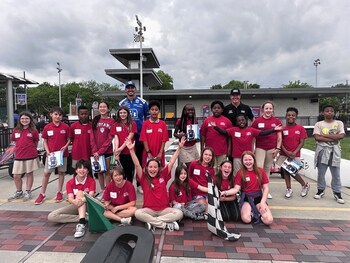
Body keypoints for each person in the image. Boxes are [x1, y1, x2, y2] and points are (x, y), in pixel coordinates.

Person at [126, 137, 186, 231]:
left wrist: (179, 148)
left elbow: (171, 162)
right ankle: (165, 225)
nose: (152, 169)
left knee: (179, 213)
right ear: (146, 168)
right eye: (150, 167)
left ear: (158, 168)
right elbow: (137, 164)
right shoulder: (143, 177)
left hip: (164, 210)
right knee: (138, 213)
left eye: (155, 167)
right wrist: (131, 150)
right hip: (149, 210)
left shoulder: (163, 175)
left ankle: (153, 222)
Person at [214, 114, 281, 177]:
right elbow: (223, 132)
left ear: (246, 121)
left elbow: (262, 133)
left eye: (242, 120)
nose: (241, 122)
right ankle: (237, 188)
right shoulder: (233, 130)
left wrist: (274, 129)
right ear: (237, 123)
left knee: (248, 174)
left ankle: (247, 188)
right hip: (237, 157)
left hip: (248, 158)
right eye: (239, 121)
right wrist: (215, 127)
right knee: (237, 174)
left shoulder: (251, 130)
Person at [221, 151, 273, 225]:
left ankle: (258, 212)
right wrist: (225, 193)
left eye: (250, 159)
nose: (248, 162)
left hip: (259, 198)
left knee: (269, 220)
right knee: (246, 219)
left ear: (254, 160)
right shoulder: (240, 173)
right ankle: (251, 212)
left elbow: (266, 188)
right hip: (247, 198)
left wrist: (263, 202)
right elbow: (236, 189)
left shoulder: (261, 171)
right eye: (245, 160)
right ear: (242, 161)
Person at [48, 159, 96, 238]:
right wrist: (76, 202)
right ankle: (84, 218)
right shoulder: (70, 183)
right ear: (76, 170)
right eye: (80, 168)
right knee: (52, 216)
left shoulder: (91, 181)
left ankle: (81, 223)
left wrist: (81, 200)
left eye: (84, 168)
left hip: (89, 204)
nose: (82, 170)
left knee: (80, 193)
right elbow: (70, 198)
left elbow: (91, 196)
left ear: (88, 171)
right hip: (76, 204)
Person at [34, 107, 71, 205]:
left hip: (62, 154)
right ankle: (42, 193)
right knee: (46, 173)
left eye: (59, 115)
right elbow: (45, 141)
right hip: (51, 155)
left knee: (61, 173)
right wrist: (47, 151)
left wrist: (65, 146)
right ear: (51, 115)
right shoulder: (47, 127)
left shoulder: (66, 127)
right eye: (55, 114)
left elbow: (68, 139)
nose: (58, 116)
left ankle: (59, 192)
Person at [118, 80, 149, 194]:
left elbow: (147, 118)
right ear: (125, 90)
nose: (130, 90)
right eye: (128, 88)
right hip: (127, 139)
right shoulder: (121, 103)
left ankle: (140, 184)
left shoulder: (143, 102)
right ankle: (129, 184)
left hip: (140, 138)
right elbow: (119, 120)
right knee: (128, 164)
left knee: (140, 163)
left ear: (135, 89)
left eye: (132, 88)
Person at [313, 104, 346, 204]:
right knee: (321, 173)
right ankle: (320, 190)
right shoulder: (319, 124)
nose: (329, 112)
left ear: (334, 112)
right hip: (322, 151)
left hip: (334, 151)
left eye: (331, 111)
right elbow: (317, 138)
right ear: (323, 113)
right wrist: (333, 137)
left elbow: (341, 136)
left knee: (336, 174)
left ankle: (337, 192)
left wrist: (324, 135)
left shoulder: (339, 123)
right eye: (327, 111)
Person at [276, 107, 310, 199]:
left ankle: (304, 185)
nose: (291, 117)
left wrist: (294, 152)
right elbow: (280, 141)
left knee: (293, 172)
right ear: (286, 116)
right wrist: (286, 152)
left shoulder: (300, 128)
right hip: (284, 153)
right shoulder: (282, 128)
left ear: (296, 117)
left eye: (293, 115)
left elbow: (301, 142)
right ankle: (289, 189)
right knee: (285, 171)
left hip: (295, 154)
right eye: (289, 115)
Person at [251, 101, 282, 199]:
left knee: (267, 169)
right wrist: (253, 149)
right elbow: (253, 136)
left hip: (271, 149)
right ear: (262, 110)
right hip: (260, 148)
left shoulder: (277, 121)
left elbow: (279, 137)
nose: (268, 110)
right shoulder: (257, 121)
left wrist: (278, 148)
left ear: (273, 110)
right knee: (259, 168)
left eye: (270, 108)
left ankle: (265, 190)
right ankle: (257, 189)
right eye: (266, 108)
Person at [8, 111, 39, 201]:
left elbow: (36, 142)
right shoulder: (16, 130)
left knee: (29, 174)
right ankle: (19, 192)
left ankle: (28, 191)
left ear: (30, 119)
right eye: (22, 118)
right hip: (19, 156)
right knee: (16, 176)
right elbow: (14, 141)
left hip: (30, 155)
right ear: (19, 120)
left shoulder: (34, 130)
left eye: (26, 118)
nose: (24, 120)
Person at [90, 101, 115, 199]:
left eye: (104, 107)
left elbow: (110, 138)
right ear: (98, 108)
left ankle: (107, 192)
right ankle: (102, 190)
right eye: (101, 107)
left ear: (108, 109)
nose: (102, 108)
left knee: (107, 171)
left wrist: (100, 151)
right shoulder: (95, 120)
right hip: (96, 151)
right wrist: (95, 151)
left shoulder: (112, 121)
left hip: (107, 151)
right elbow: (92, 137)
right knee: (99, 171)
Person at [200, 100, 232, 172]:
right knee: (212, 169)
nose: (216, 109)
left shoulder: (227, 121)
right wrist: (202, 148)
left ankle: (220, 183)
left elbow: (230, 136)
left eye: (219, 108)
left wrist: (229, 149)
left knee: (221, 169)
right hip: (210, 152)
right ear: (211, 109)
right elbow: (202, 135)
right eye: (214, 108)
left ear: (222, 110)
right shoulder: (207, 121)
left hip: (222, 151)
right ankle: (212, 183)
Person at [111, 106, 137, 183]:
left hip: (130, 152)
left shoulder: (132, 124)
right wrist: (116, 151)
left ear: (127, 114)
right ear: (118, 114)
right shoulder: (115, 125)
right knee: (121, 173)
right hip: (120, 153)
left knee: (130, 173)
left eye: (124, 112)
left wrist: (120, 148)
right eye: (121, 113)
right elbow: (116, 138)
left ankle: (129, 188)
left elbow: (129, 137)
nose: (122, 114)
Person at [140, 100, 169, 168]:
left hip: (159, 154)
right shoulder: (145, 124)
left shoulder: (163, 124)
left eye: (156, 110)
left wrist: (160, 153)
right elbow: (144, 139)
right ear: (149, 111)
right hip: (148, 154)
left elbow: (164, 140)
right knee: (148, 172)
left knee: (159, 172)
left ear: (159, 111)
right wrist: (148, 153)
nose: (154, 111)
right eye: (152, 109)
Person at [174, 104, 199, 168]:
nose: (190, 111)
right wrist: (182, 136)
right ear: (184, 111)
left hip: (193, 146)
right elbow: (175, 134)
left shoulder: (195, 121)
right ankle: (188, 177)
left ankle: (191, 177)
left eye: (192, 110)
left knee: (195, 165)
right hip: (184, 146)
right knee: (189, 166)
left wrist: (196, 137)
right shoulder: (180, 121)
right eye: (188, 110)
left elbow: (196, 135)